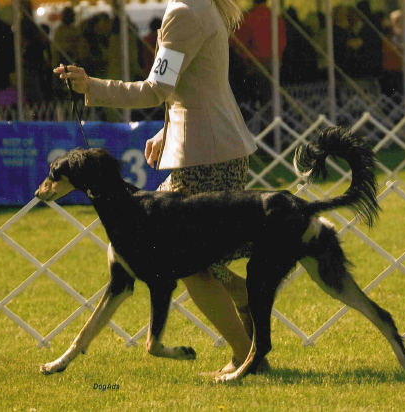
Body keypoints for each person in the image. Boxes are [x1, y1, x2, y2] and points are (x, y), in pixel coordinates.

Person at [54, 0, 267, 375]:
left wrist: (92, 86)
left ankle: (245, 353)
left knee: (190, 264)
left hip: (204, 154)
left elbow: (155, 89)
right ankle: (244, 306)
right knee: (197, 258)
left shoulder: (183, 12)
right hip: (214, 146)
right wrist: (166, 132)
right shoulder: (202, 7)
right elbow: (194, 82)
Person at [231, 0, 286, 106]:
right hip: (276, 65)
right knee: (270, 100)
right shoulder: (277, 18)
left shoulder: (249, 18)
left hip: (256, 66)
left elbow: (236, 42)